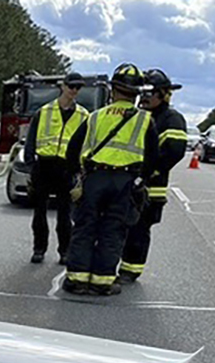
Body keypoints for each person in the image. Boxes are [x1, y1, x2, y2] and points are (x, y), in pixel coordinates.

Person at [61, 63, 159, 297]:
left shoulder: (95, 117)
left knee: (85, 228)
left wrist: (78, 174)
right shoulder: (145, 121)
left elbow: (72, 150)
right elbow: (153, 158)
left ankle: (77, 280)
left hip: (95, 178)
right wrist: (140, 179)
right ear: (136, 95)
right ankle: (102, 281)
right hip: (125, 182)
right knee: (113, 230)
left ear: (112, 90)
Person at [118, 69, 187, 283]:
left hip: (150, 188)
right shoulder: (139, 115)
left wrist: (147, 173)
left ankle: (131, 270)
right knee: (123, 227)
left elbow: (174, 152)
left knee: (139, 230)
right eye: (144, 93)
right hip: (129, 183)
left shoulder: (171, 119)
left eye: (152, 93)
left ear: (164, 94)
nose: (146, 97)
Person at [23, 72, 90, 264]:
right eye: (71, 87)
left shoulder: (83, 115)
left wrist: (80, 171)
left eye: (78, 87)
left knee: (64, 214)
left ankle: (64, 251)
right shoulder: (44, 111)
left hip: (66, 168)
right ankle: (39, 249)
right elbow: (31, 140)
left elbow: (86, 144)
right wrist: (30, 165)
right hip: (44, 165)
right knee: (39, 212)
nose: (74, 91)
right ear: (63, 86)